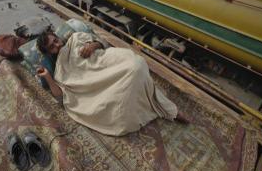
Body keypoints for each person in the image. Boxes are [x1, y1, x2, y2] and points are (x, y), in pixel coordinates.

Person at [36, 31, 188, 136]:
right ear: (49, 53)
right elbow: (62, 98)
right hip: (96, 79)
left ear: (58, 37)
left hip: (105, 61)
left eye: (55, 41)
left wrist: (93, 45)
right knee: (120, 105)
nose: (57, 46)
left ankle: (162, 106)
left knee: (137, 63)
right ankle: (165, 108)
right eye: (52, 47)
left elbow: (103, 43)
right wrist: (48, 77)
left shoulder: (76, 37)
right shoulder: (59, 70)